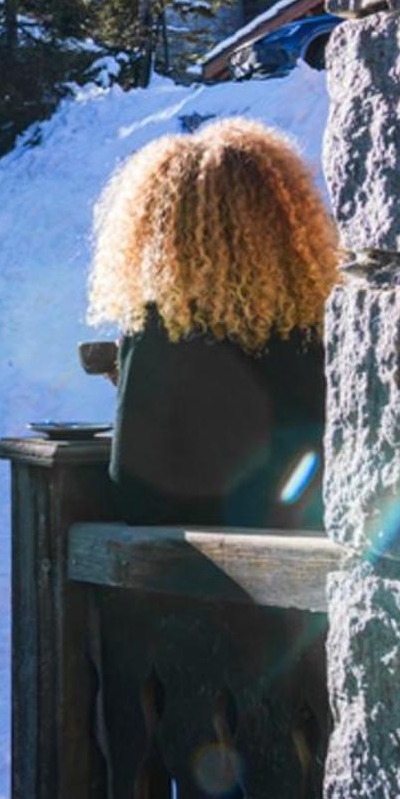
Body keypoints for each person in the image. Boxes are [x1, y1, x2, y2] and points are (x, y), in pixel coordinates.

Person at [85, 116, 339, 529]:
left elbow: (136, 492)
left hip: (214, 571)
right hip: (322, 543)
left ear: (160, 228)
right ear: (286, 216)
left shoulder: (165, 325)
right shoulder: (321, 317)